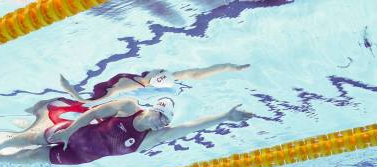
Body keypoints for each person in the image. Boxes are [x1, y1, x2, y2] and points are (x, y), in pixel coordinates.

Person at [0, 97, 253, 165]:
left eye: (166, 122)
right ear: (153, 109)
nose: (163, 124)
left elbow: (190, 128)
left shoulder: (153, 137)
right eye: (161, 117)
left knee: (31, 158)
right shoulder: (128, 106)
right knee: (29, 138)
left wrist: (224, 117)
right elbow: (95, 113)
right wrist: (67, 131)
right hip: (73, 133)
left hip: (83, 157)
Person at [60, 63, 250, 102]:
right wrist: (229, 67)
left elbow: (89, 102)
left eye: (159, 71)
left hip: (102, 90)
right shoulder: (157, 79)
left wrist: (69, 89)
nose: (158, 68)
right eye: (161, 70)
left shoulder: (130, 84)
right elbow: (195, 74)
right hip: (112, 85)